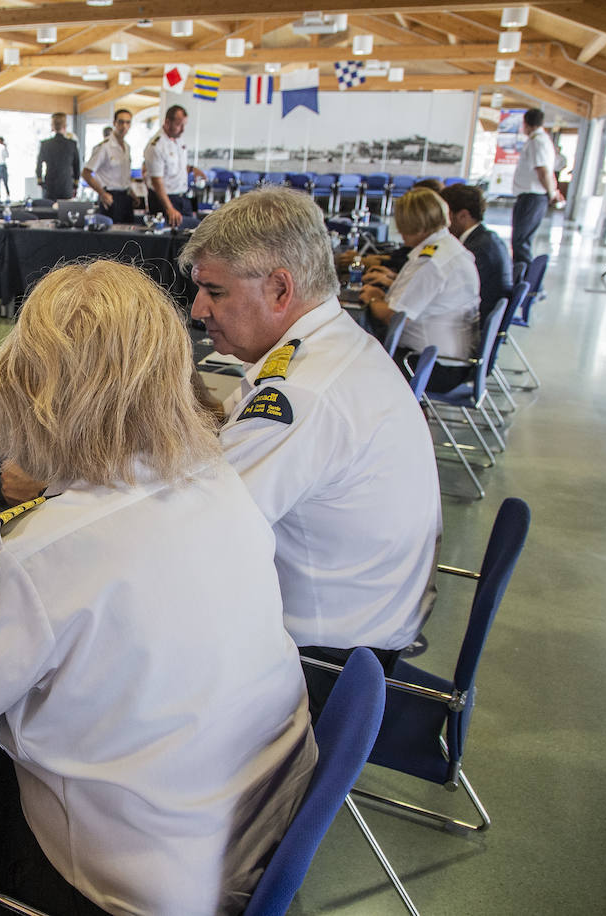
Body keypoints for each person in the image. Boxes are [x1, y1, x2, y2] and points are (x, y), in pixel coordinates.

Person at [0, 258, 316, 914]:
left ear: (27, 389)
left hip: (126, 890)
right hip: (244, 832)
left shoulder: (40, 560)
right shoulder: (216, 476)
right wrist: (63, 478)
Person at [182, 187, 441, 708]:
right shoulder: (328, 345)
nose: (197, 309)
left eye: (215, 291)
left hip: (325, 664)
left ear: (280, 289)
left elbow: (190, 530)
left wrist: (73, 481)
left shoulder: (304, 392)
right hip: (372, 623)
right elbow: (228, 434)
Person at [362, 188, 481, 393]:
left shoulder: (431, 262)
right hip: (447, 359)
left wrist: (373, 299)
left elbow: (394, 317)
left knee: (352, 361)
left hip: (429, 365)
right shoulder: (447, 247)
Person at [441, 183, 513, 325]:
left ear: (463, 215)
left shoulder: (477, 250)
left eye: (445, 215)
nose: (442, 222)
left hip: (474, 321)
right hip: (481, 314)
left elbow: (451, 292)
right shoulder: (486, 238)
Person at [510, 108, 564, 267]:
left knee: (520, 241)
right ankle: (522, 274)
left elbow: (543, 171)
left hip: (532, 197)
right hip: (532, 196)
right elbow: (548, 172)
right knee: (521, 239)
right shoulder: (542, 140)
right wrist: (554, 190)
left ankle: (524, 277)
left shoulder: (537, 141)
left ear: (526, 124)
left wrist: (552, 194)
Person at [143, 104, 206, 227]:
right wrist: (169, 208)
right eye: (179, 125)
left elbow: (176, 167)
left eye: (184, 125)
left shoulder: (178, 140)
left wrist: (192, 169)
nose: (182, 129)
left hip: (182, 198)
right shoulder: (156, 146)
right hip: (165, 201)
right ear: (167, 122)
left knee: (191, 232)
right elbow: (157, 182)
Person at [82, 108, 136, 226]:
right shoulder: (104, 147)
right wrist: (102, 193)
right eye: (121, 122)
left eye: (128, 122)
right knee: (112, 234)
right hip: (110, 197)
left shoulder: (126, 147)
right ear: (114, 123)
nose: (124, 126)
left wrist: (132, 193)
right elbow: (86, 173)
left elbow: (124, 176)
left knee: (129, 233)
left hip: (126, 197)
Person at [35, 112, 81, 201]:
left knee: (48, 209)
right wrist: (75, 184)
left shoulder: (45, 144)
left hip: (50, 186)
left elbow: (39, 165)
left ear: (52, 126)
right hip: (66, 186)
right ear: (65, 126)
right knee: (65, 209)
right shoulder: (72, 144)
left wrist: (40, 181)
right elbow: (77, 166)